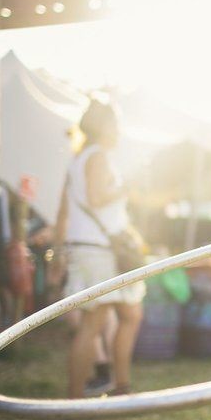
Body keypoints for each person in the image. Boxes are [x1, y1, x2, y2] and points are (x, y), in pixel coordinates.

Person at [52, 100, 144, 398]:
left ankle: (120, 387)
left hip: (90, 247)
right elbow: (96, 197)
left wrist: (57, 252)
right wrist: (127, 187)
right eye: (115, 124)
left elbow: (63, 211)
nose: (119, 130)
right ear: (103, 127)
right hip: (99, 249)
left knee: (129, 314)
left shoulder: (78, 159)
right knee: (94, 323)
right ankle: (76, 398)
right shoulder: (98, 156)